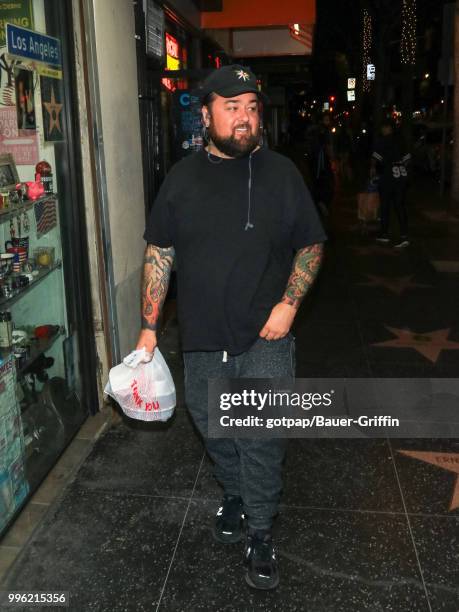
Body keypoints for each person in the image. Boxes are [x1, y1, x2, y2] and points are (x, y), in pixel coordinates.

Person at [136, 64, 326, 591]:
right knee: (212, 423)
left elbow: (311, 243)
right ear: (206, 114)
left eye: (251, 108)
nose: (244, 119)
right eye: (231, 107)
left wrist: (289, 304)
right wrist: (149, 326)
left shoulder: (282, 174)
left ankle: (260, 531)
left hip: (265, 336)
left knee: (261, 435)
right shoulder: (181, 179)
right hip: (201, 336)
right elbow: (160, 251)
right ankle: (236, 493)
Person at [371, 120, 411, 247]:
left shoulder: (382, 142)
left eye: (384, 128)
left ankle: (384, 234)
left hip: (387, 177)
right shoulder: (400, 141)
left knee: (385, 205)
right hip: (401, 176)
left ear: (388, 128)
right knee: (400, 205)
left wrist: (374, 170)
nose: (383, 130)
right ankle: (404, 234)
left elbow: (375, 160)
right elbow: (407, 159)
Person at [305, 111, 336, 216]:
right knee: (327, 183)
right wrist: (333, 159)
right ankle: (321, 202)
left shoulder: (313, 130)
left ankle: (318, 203)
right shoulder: (324, 131)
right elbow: (328, 147)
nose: (328, 122)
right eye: (326, 120)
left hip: (313, 160)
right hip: (321, 162)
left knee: (317, 182)